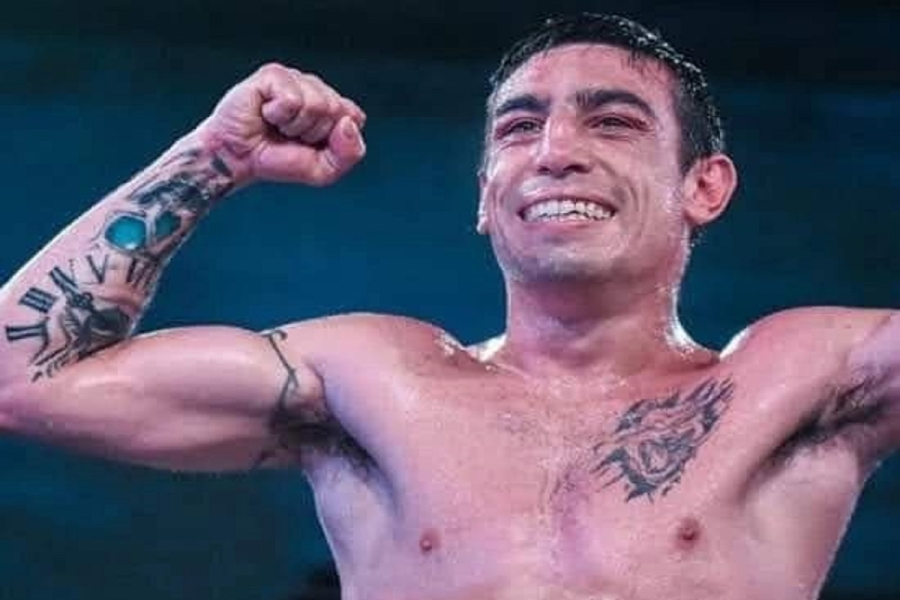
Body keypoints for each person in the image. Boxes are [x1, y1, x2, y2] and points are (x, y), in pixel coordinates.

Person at [0, 12, 896, 600]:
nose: (554, 151)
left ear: (705, 186)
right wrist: (215, 157)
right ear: (483, 196)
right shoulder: (372, 382)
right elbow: (20, 378)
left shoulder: (798, 376)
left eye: (613, 122)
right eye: (518, 127)